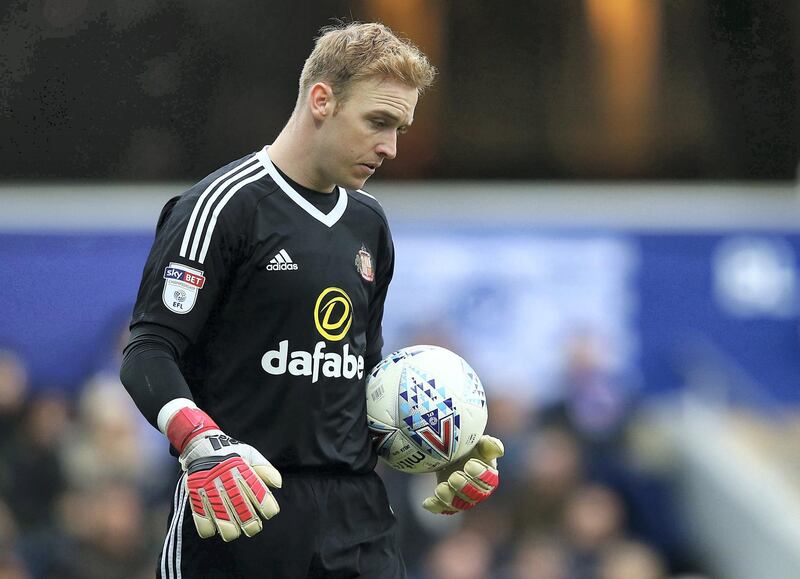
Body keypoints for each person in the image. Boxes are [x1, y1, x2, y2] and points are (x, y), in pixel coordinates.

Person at [120, 21, 504, 578]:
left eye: (399, 128)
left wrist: (444, 443)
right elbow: (149, 351)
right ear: (321, 100)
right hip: (241, 510)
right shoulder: (223, 207)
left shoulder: (368, 224)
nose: (391, 148)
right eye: (378, 122)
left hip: (358, 520)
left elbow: (359, 382)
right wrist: (198, 440)